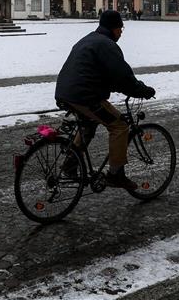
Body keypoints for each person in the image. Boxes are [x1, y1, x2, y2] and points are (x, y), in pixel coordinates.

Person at [55, 10, 155, 190]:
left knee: (88, 124)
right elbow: (123, 76)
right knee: (119, 126)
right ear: (114, 28)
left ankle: (70, 166)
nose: (122, 32)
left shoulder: (89, 39)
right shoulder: (107, 45)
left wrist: (114, 86)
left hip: (66, 91)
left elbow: (98, 73)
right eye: (121, 28)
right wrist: (142, 90)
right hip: (84, 96)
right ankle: (116, 174)